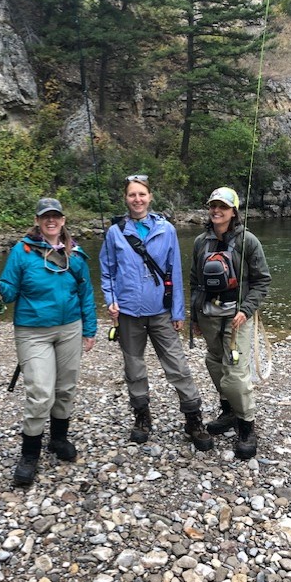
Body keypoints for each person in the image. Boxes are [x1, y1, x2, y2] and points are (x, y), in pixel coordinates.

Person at [0, 197, 97, 485]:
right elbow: (9, 291)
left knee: (66, 387)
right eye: (45, 216)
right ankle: (29, 454)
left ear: (63, 220)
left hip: (70, 328)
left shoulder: (76, 254)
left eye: (56, 216)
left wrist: (90, 330)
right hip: (32, 332)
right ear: (37, 220)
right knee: (40, 392)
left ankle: (58, 440)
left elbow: (86, 294)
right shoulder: (21, 252)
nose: (51, 221)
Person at [99, 174, 213, 451]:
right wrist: (110, 299)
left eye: (141, 194)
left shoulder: (166, 229)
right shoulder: (115, 232)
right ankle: (142, 417)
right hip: (127, 313)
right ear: (125, 199)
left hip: (161, 311)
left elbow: (175, 271)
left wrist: (178, 312)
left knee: (178, 366)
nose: (137, 199)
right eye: (131, 195)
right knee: (134, 367)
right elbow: (107, 271)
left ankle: (193, 419)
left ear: (150, 197)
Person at [190, 187, 271, 459]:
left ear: (233, 212)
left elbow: (262, 281)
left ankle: (247, 425)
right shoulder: (201, 242)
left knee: (235, 374)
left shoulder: (249, 241)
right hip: (209, 317)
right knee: (214, 364)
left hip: (238, 319)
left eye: (222, 207)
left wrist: (246, 310)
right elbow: (195, 282)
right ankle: (228, 413)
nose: (216, 211)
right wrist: (195, 318)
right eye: (213, 206)